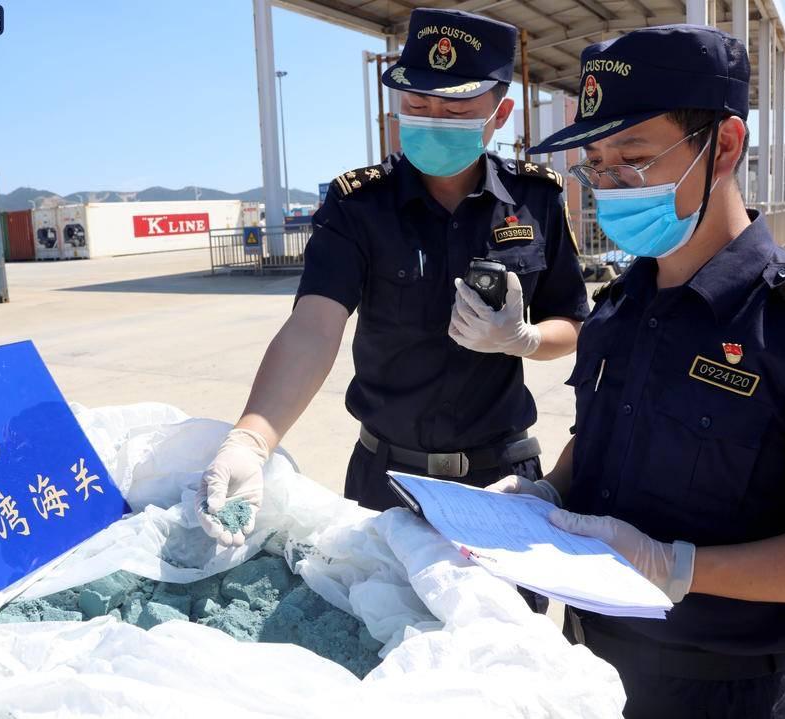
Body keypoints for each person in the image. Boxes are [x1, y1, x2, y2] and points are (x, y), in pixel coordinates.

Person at [490, 24, 785, 718]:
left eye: (633, 157)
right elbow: (605, 435)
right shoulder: (618, 309)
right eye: (596, 163)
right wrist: (545, 493)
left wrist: (677, 567)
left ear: (725, 146)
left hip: (716, 693)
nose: (609, 185)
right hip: (578, 665)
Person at [196, 7, 587, 548]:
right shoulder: (359, 203)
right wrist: (252, 438)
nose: (430, 119)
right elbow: (314, 325)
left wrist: (523, 339)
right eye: (416, 104)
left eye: (454, 108)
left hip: (502, 481)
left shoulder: (537, 198)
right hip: (385, 481)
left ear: (500, 114)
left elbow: (571, 319)